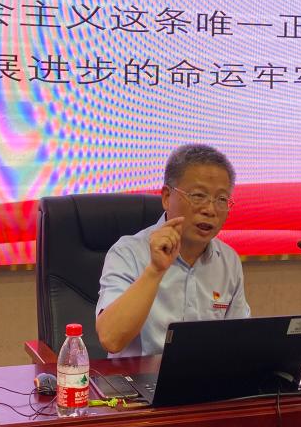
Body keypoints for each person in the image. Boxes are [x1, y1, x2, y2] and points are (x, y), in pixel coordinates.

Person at [95, 144, 250, 357]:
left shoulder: (228, 261)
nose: (210, 210)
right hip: (141, 376)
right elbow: (110, 339)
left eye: (222, 199)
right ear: (167, 197)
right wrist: (155, 270)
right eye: (198, 196)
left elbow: (240, 341)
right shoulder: (128, 253)